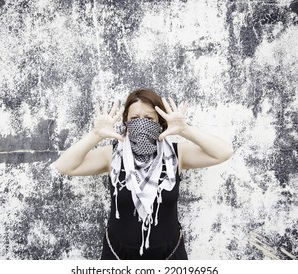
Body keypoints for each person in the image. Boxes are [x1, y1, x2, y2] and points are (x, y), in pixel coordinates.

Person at [53, 88, 233, 259]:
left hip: (170, 257)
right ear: (126, 123)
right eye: (135, 118)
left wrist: (184, 129)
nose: (141, 123)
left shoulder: (177, 155)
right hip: (118, 257)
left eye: (148, 118)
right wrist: (96, 135)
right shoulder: (112, 155)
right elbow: (64, 166)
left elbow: (223, 152)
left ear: (160, 123)